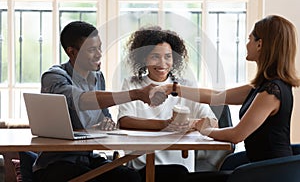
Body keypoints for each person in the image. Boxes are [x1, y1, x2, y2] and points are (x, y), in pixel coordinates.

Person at [151, 15, 300, 181]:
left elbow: (237, 135)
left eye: (249, 39)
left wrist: (205, 129)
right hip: (259, 167)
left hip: (269, 174)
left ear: (260, 44)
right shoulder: (264, 86)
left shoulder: (272, 92)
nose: (246, 44)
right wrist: (173, 88)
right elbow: (217, 96)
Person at [32, 21, 159, 182]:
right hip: (56, 164)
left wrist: (106, 123)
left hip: (87, 158)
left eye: (100, 47)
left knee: (130, 177)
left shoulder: (97, 77)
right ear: (72, 52)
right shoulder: (54, 77)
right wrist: (136, 94)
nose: (99, 54)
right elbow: (82, 100)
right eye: (92, 50)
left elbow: (104, 116)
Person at [117, 26, 217, 182]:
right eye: (155, 56)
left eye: (168, 57)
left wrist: (192, 124)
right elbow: (124, 121)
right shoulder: (132, 84)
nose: (162, 63)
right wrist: (165, 124)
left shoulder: (186, 86)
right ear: (144, 58)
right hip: (142, 168)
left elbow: (213, 122)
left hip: (181, 168)